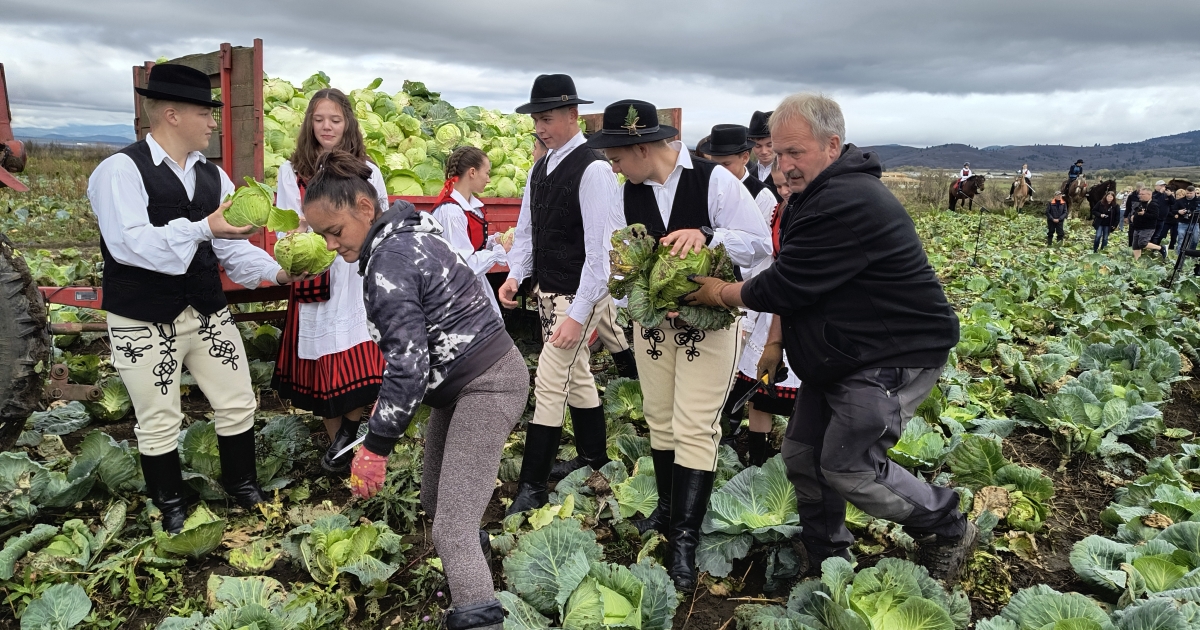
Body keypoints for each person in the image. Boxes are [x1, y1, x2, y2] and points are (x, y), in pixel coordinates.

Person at [685, 93, 975, 585]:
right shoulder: (814, 196)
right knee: (802, 456)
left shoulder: (848, 200)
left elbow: (783, 284)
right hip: (839, 354)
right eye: (777, 153)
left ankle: (948, 524)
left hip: (892, 355)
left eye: (796, 152)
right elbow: (799, 283)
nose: (785, 165)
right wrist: (775, 344)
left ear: (832, 144)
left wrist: (718, 292)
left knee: (851, 467)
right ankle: (826, 554)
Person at [303, 151, 527, 630]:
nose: (328, 245)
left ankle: (479, 617)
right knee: (433, 496)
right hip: (465, 384)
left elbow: (408, 366)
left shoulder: (389, 261)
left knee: (451, 525)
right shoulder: (407, 230)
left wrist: (375, 449)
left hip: (489, 385)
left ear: (365, 208)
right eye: (320, 233)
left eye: (334, 231)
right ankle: (477, 572)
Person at [88, 64, 306, 533]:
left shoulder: (216, 179)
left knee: (237, 399)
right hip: (142, 318)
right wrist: (204, 227)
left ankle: (242, 484)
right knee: (157, 417)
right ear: (171, 115)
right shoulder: (119, 171)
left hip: (206, 310)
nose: (213, 123)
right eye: (205, 113)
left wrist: (278, 271)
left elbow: (230, 248)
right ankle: (170, 502)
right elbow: (131, 244)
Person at [586, 99, 772, 591]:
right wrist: (631, 283)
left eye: (618, 155)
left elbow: (758, 245)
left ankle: (685, 540)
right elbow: (612, 259)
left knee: (695, 424)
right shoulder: (623, 193)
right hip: (653, 326)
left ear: (643, 147)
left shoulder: (714, 182)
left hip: (709, 324)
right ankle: (669, 515)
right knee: (660, 417)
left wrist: (709, 235)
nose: (613, 164)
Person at [498, 74, 621, 512]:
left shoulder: (595, 170)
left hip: (580, 294)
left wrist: (578, 314)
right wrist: (515, 275)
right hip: (550, 291)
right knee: (577, 378)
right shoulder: (541, 166)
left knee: (550, 383)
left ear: (573, 115)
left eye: (547, 118)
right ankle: (595, 459)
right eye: (536, 119)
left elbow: (601, 253)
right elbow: (529, 233)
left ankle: (530, 487)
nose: (541, 128)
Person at [273, 88, 389, 473]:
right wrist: (303, 240)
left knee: (358, 360)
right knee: (324, 366)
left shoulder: (368, 170)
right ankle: (340, 447)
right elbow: (286, 224)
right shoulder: (291, 171)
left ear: (348, 124)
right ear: (310, 123)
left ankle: (351, 431)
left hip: (355, 273)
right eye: (320, 119)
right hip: (316, 274)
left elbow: (381, 216)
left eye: (335, 119)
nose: (327, 126)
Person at [534, 134, 638, 378]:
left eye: (534, 147)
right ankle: (631, 379)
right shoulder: (541, 174)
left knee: (610, 332)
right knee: (600, 343)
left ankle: (631, 378)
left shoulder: (594, 172)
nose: (533, 153)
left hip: (587, 277)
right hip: (584, 281)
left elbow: (603, 242)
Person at [722, 159, 801, 467]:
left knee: (801, 400)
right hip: (771, 307)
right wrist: (749, 310)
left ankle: (796, 462)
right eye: (778, 185)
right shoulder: (773, 213)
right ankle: (757, 460)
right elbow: (761, 262)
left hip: (802, 311)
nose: (784, 191)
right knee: (759, 394)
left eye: (788, 185)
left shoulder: (817, 213)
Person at [429, 146, 510, 314]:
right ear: (472, 172)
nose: (488, 180)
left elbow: (469, 244)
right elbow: (463, 266)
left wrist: (492, 241)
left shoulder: (469, 207)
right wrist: (498, 251)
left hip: (469, 288)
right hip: (456, 296)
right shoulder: (451, 212)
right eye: (487, 173)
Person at [747, 110, 782, 202]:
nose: (764, 151)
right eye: (758, 146)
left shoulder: (788, 174)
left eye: (769, 145)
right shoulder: (747, 175)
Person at [1130, 187, 1163, 261]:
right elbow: (1137, 212)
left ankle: (1161, 248)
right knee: (1135, 246)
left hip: (1147, 227)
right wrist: (1133, 216)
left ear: (1149, 194)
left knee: (1142, 243)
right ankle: (1137, 261)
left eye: (1142, 194)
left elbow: (1155, 216)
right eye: (1140, 194)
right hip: (1137, 227)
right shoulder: (1142, 203)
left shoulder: (1153, 204)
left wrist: (1144, 214)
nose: (1140, 195)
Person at [1149, 180, 1173, 259]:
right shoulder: (1154, 194)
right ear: (1157, 186)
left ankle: (1154, 250)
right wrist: (1160, 193)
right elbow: (1152, 199)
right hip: (1153, 219)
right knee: (1151, 234)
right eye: (1162, 185)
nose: (1163, 187)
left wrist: (1170, 196)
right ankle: (1149, 248)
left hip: (1162, 219)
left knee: (1158, 236)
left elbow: (1173, 203)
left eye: (1164, 186)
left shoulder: (1166, 195)